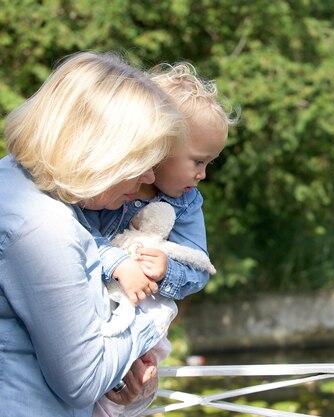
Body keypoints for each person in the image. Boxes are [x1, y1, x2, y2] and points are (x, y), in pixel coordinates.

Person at [0, 51, 188, 417]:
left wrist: (126, 377)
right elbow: (83, 381)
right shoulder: (43, 228)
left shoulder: (21, 185)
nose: (150, 179)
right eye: (142, 163)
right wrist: (157, 315)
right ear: (100, 153)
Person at [85, 63, 236, 417]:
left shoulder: (185, 203)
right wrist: (117, 263)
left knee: (135, 385)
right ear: (160, 144)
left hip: (142, 318)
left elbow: (199, 266)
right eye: (198, 161)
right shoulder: (108, 182)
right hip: (90, 309)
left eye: (209, 164)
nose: (202, 175)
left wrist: (166, 271)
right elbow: (78, 237)